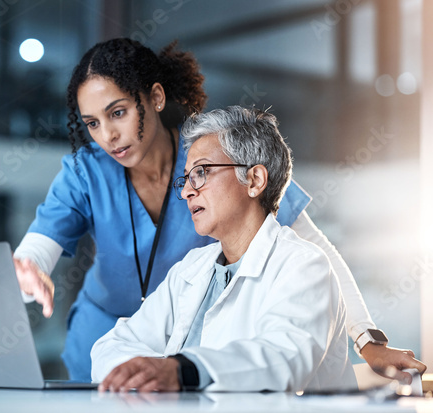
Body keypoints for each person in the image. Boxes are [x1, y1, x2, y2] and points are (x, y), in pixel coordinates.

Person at [11, 38, 426, 382]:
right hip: (106, 333)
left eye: (117, 113)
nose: (108, 136)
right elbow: (39, 247)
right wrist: (28, 268)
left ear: (155, 97)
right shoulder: (87, 172)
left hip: (194, 353)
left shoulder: (216, 156)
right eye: (92, 123)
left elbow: (317, 252)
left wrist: (367, 340)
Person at [90, 106, 356, 392]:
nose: (186, 191)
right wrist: (152, 373)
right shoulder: (191, 269)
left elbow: (283, 359)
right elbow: (110, 347)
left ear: (254, 180)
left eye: (201, 172)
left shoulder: (303, 265)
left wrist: (183, 371)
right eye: (186, 178)